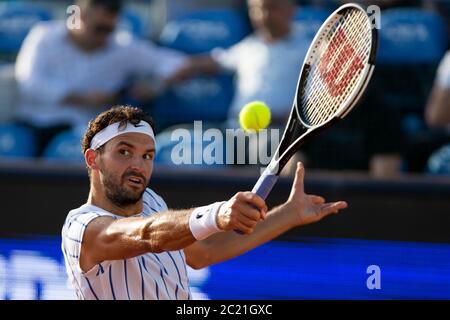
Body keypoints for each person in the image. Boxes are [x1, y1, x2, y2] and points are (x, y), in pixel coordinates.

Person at [61, 105, 347, 300]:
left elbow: (204, 253)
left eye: (147, 155)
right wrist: (218, 213)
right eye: (125, 152)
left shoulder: (151, 201)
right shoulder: (81, 227)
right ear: (92, 159)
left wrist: (288, 214)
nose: (138, 165)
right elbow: (147, 235)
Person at [14, 0, 187, 155]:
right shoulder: (44, 35)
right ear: (80, 15)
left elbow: (172, 62)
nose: (104, 36)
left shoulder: (123, 46)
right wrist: (82, 98)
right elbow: (28, 82)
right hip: (31, 126)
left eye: (109, 29)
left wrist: (155, 84)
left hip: (81, 134)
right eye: (99, 29)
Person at [174, 0, 310, 127]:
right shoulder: (247, 47)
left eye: (273, 8)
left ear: (292, 9)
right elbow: (215, 61)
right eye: (256, 10)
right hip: (234, 132)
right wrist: (175, 71)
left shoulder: (309, 50)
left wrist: (291, 118)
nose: (264, 16)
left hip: (280, 134)